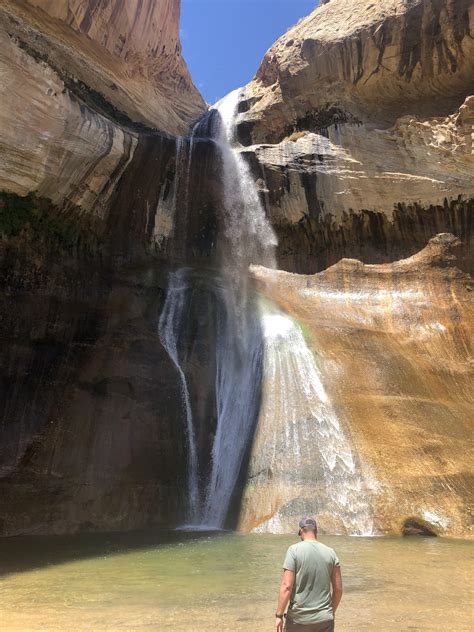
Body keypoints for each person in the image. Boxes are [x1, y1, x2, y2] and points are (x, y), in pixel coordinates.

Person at [274, 517, 342, 631]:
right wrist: (330, 612)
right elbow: (338, 589)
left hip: (298, 620)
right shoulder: (331, 553)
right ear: (316, 531)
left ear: (301, 531)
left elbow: (287, 586)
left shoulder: (293, 550)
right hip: (324, 619)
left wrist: (279, 615)